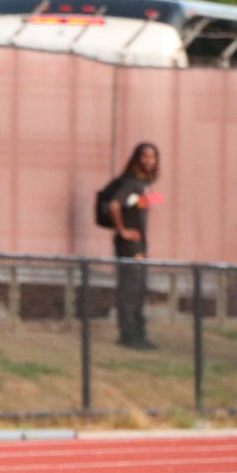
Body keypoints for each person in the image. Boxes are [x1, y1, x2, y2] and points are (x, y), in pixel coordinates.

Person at [108, 142, 160, 350]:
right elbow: (114, 204)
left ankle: (138, 332)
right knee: (131, 287)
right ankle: (130, 335)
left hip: (139, 243)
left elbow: (136, 204)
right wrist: (122, 230)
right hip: (130, 245)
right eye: (145, 156)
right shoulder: (131, 182)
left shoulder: (143, 184)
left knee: (138, 287)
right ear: (137, 158)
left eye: (153, 157)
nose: (149, 161)